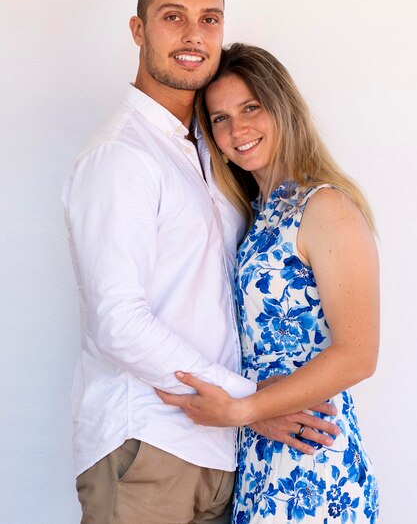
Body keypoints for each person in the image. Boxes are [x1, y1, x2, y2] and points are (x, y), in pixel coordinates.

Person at [62, 0, 339, 524]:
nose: (194, 35)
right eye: (173, 17)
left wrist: (243, 412)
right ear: (139, 31)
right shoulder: (124, 156)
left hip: (220, 451)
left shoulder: (209, 152)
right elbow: (118, 320)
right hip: (148, 446)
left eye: (209, 18)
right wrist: (245, 402)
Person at [158, 43, 380, 523]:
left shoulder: (325, 208)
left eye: (250, 108)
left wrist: (242, 410)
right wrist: (251, 411)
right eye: (219, 119)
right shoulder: (257, 216)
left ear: (282, 107)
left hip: (314, 462)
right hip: (261, 457)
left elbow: (358, 355)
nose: (237, 130)